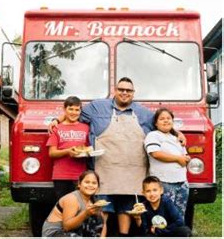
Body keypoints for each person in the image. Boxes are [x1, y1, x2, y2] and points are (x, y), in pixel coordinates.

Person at [49, 77, 187, 236]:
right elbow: (73, 112)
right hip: (104, 169)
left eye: (128, 90)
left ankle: (123, 236)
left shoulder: (144, 113)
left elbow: (162, 124)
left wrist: (177, 133)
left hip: (132, 171)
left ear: (133, 93)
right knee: (103, 207)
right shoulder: (97, 107)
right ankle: (100, 235)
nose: (124, 93)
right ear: (115, 90)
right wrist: (56, 120)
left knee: (126, 208)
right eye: (121, 89)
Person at [144, 108, 190, 220]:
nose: (166, 121)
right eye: (162, 119)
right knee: (163, 217)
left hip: (182, 182)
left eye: (168, 118)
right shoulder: (153, 135)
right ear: (156, 123)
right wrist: (178, 159)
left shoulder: (176, 138)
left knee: (179, 216)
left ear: (172, 121)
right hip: (164, 183)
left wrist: (187, 158)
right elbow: (155, 153)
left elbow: (184, 155)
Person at [46, 96, 90, 200]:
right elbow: (51, 153)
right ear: (64, 110)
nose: (74, 113)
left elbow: (88, 148)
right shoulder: (56, 128)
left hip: (81, 177)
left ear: (80, 111)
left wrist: (87, 152)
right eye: (70, 109)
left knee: (79, 207)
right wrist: (67, 151)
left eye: (77, 110)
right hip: (61, 176)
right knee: (62, 207)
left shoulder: (86, 128)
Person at [42, 170, 106, 237]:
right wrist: (85, 213)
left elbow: (103, 224)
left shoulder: (95, 201)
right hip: (55, 233)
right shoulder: (72, 198)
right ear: (79, 184)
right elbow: (67, 227)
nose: (90, 185)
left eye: (94, 183)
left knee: (98, 217)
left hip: (74, 232)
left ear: (98, 187)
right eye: (87, 182)